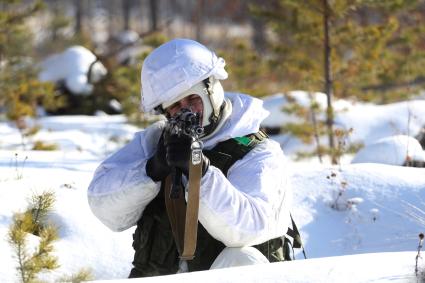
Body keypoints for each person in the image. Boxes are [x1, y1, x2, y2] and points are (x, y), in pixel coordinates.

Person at [87, 38, 293, 278]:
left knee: (241, 260)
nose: (187, 111)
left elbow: (249, 227)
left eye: (193, 99)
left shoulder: (257, 151)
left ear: (212, 90)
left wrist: (201, 175)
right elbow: (103, 207)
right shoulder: (156, 143)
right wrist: (151, 171)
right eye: (175, 106)